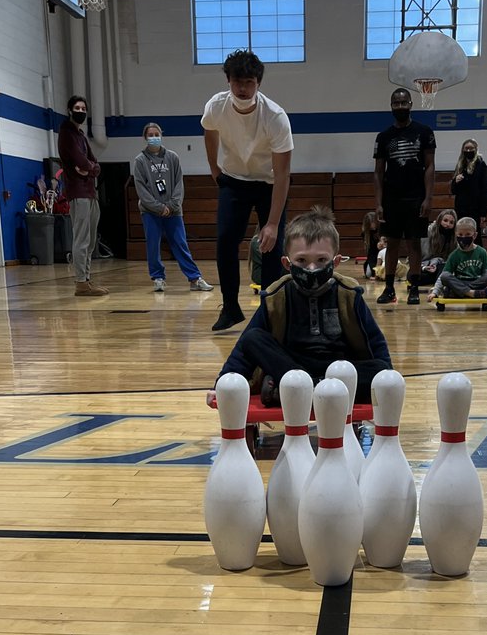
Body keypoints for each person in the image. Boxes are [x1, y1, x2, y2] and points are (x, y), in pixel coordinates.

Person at [215, 206, 391, 404]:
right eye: (301, 260)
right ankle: (309, 388)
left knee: (379, 369)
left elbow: (375, 341)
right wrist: (223, 383)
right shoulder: (276, 295)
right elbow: (244, 347)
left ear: (336, 261)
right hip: (292, 367)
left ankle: (300, 389)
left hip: (340, 368)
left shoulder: (349, 293)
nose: (312, 268)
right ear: (287, 263)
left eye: (322, 260)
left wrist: (387, 377)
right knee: (253, 338)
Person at [201, 49, 294, 332]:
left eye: (249, 82)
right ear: (228, 81)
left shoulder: (275, 117)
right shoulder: (216, 106)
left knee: (272, 246)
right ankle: (230, 307)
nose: (243, 88)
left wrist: (273, 224)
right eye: (237, 81)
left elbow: (283, 174)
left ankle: (269, 312)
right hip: (234, 180)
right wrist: (215, 169)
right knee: (226, 240)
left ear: (258, 83)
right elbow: (209, 132)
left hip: (269, 183)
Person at [373, 87, 436, 306]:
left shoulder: (424, 132)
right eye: (395, 103)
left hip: (416, 197)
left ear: (411, 104)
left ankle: (414, 288)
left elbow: (429, 166)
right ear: (391, 106)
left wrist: (428, 198)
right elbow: (379, 172)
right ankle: (389, 289)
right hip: (392, 198)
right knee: (392, 243)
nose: (400, 106)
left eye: (403, 102)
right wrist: (378, 203)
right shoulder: (383, 137)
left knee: (414, 244)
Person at [133, 123, 213, 294]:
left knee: (180, 243)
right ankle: (158, 278)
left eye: (157, 134)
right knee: (153, 245)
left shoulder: (172, 157)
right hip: (150, 212)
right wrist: (158, 207)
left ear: (161, 135)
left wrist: (171, 205)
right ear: (145, 138)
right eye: (150, 134)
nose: (154, 137)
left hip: (173, 211)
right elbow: (141, 189)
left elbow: (179, 183)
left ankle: (194, 278)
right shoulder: (140, 161)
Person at [57, 93, 107, 296]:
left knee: (91, 239)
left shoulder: (81, 136)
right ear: (70, 110)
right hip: (78, 192)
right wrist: (88, 167)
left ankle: (86, 279)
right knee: (82, 238)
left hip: (90, 191)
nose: (80, 112)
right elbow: (81, 161)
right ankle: (80, 282)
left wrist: (91, 169)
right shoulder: (66, 133)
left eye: (83, 109)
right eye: (77, 109)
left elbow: (95, 164)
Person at [426, 217, 487, 301]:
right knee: (445, 276)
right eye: (460, 235)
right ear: (456, 235)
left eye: (467, 234)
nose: (463, 237)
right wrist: (435, 292)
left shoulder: (482, 252)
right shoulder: (454, 255)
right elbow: (443, 275)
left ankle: (458, 292)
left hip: (477, 282)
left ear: (474, 235)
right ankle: (473, 293)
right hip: (459, 282)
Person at [450, 139, 487, 239]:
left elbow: (485, 190)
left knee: (475, 235)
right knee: (461, 233)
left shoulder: (481, 165)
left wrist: (483, 213)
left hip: (475, 208)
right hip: (461, 207)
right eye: (466, 148)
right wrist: (455, 181)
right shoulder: (460, 165)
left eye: (471, 148)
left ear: (476, 150)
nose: (468, 151)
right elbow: (453, 190)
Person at [420, 208, 456, 281]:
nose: (447, 224)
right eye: (445, 221)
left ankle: (439, 280)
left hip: (442, 266)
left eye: (451, 222)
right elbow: (417, 259)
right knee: (411, 276)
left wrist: (437, 262)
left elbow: (452, 262)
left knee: (443, 270)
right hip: (426, 266)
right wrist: (424, 267)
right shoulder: (428, 232)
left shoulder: (454, 238)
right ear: (439, 221)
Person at [361, 211, 381, 277]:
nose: (373, 225)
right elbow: (370, 252)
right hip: (372, 257)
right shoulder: (365, 234)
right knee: (369, 274)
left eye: (374, 222)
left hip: (382, 255)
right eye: (370, 223)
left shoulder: (381, 231)